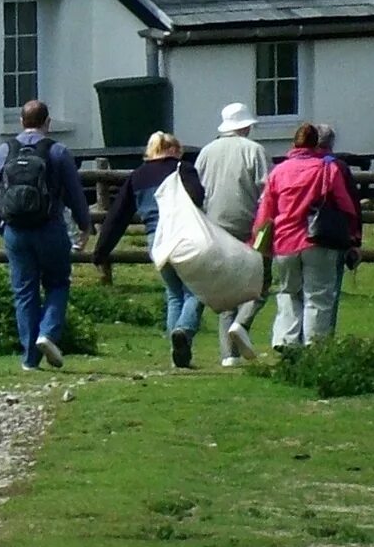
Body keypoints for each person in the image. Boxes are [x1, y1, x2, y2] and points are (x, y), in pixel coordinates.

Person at [0, 97, 93, 370]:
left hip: (16, 231)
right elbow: (75, 194)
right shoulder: (58, 152)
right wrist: (84, 226)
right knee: (57, 283)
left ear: (21, 122)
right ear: (48, 123)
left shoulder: (3, 151)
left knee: (24, 291)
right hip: (50, 227)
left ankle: (30, 358)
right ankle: (48, 332)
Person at [92, 129, 213, 367]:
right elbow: (197, 196)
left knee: (173, 293)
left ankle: (177, 350)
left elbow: (117, 216)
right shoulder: (183, 169)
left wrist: (100, 251)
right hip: (183, 235)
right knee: (196, 290)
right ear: (174, 150)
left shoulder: (137, 176)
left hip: (155, 239)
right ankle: (184, 330)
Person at [249, 122, 359, 349]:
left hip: (285, 242)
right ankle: (314, 344)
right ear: (315, 144)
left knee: (288, 292)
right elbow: (346, 205)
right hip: (318, 240)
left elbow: (265, 213)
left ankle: (285, 340)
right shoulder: (328, 169)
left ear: (294, 143)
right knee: (318, 296)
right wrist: (352, 233)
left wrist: (258, 241)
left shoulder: (278, 171)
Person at [195, 102, 272, 368]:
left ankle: (229, 355)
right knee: (261, 283)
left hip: (215, 227)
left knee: (226, 289)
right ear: (245, 126)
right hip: (249, 225)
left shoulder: (206, 152)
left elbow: (199, 190)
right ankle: (242, 323)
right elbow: (267, 192)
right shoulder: (255, 151)